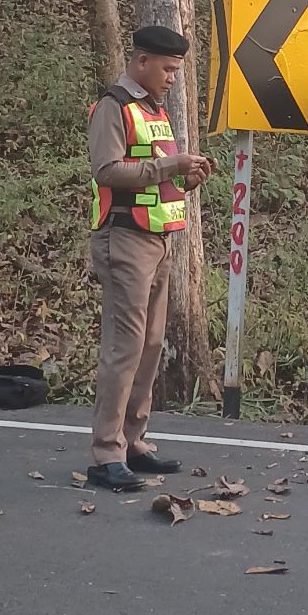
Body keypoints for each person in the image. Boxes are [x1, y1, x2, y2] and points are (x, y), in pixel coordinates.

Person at [85, 25, 212, 492]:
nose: (173, 78)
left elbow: (155, 178)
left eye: (176, 70)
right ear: (141, 62)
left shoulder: (155, 111)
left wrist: (187, 177)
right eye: (167, 69)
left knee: (152, 344)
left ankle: (134, 441)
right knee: (125, 347)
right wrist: (170, 166)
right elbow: (106, 170)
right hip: (124, 240)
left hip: (159, 239)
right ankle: (106, 453)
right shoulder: (114, 106)